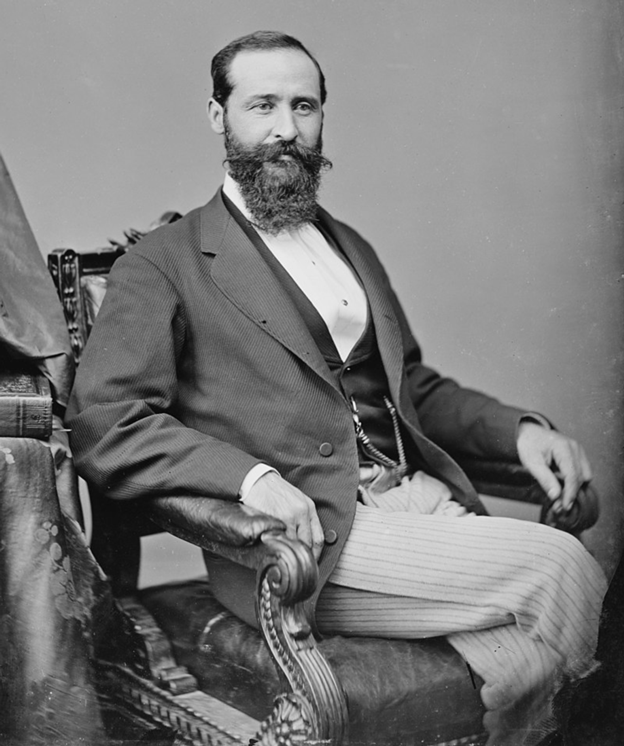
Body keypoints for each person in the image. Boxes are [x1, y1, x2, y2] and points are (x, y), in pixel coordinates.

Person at [67, 30, 607, 745]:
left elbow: (410, 387)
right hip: (304, 545)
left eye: (304, 106)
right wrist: (251, 479)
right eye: (262, 105)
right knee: (560, 568)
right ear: (218, 115)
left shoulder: (349, 245)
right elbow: (107, 423)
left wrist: (520, 431)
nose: (285, 129)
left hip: (418, 503)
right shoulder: (163, 263)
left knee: (527, 660)